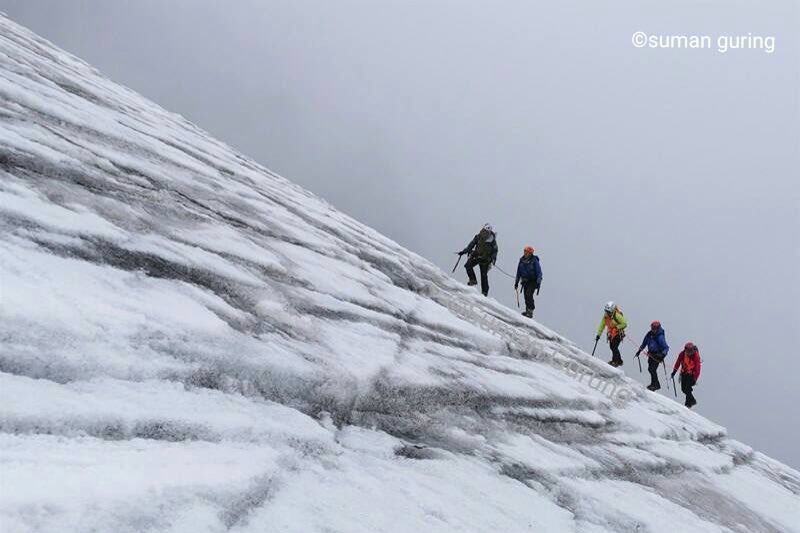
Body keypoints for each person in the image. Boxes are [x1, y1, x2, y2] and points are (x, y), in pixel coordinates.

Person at [458, 223, 498, 296]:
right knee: (468, 265)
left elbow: (495, 250)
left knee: (483, 276)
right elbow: (471, 245)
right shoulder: (478, 237)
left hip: (485, 260)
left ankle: (484, 292)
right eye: (485, 230)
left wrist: (493, 258)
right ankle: (473, 280)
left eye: (487, 231)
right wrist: (464, 251)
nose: (486, 232)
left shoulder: (492, 240)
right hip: (477, 256)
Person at [636, 320, 669, 391]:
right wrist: (639, 351)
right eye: (652, 328)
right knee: (650, 369)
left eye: (654, 328)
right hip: (651, 355)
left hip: (657, 355)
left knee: (652, 369)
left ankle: (655, 385)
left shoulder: (660, 337)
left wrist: (662, 355)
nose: (653, 329)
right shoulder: (649, 335)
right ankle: (654, 384)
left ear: (658, 328)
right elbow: (644, 343)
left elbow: (666, 347)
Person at [595, 301, 627, 367]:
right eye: (606, 311)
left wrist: (617, 327)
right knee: (612, 347)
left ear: (612, 311)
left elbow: (624, 324)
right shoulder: (605, 317)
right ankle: (619, 361)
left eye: (608, 311)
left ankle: (616, 361)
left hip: (618, 333)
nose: (607, 313)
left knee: (614, 346)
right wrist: (598, 334)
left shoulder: (617, 316)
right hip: (611, 334)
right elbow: (602, 326)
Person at [514, 246, 542, 318]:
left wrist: (538, 281)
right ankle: (528, 311)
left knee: (528, 294)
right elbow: (518, 272)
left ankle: (530, 310)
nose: (525, 253)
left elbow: (539, 272)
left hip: (533, 281)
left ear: (530, 253)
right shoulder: (521, 261)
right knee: (526, 296)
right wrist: (516, 282)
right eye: (525, 252)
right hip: (525, 281)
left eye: (527, 252)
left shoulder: (534, 261)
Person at [672, 342, 701, 408]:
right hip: (684, 373)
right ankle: (692, 400)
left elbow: (698, 369)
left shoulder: (696, 356)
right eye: (688, 350)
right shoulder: (682, 354)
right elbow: (678, 363)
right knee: (683, 389)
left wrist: (695, 379)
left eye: (691, 350)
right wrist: (674, 372)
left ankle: (688, 403)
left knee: (687, 388)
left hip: (691, 375)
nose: (689, 352)